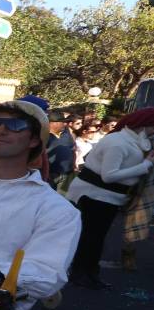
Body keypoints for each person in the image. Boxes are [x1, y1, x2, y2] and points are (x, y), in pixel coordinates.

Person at [0, 100, 80, 310]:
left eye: (16, 125)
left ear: (34, 140)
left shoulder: (56, 210)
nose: (0, 130)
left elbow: (45, 276)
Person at [65, 108, 154, 289]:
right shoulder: (118, 143)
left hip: (108, 197)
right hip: (95, 196)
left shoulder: (135, 141)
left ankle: (90, 272)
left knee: (96, 237)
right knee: (90, 238)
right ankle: (80, 273)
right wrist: (145, 165)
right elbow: (109, 175)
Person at [46, 108, 76, 186]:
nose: (65, 124)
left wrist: (73, 164)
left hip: (68, 173)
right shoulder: (44, 137)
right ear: (52, 123)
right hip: (51, 175)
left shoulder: (66, 133)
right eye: (62, 122)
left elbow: (73, 149)